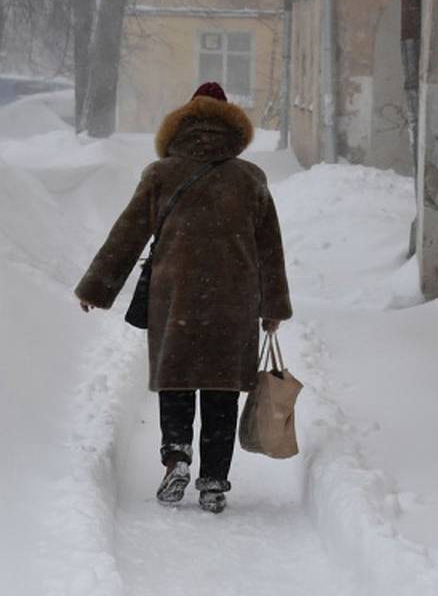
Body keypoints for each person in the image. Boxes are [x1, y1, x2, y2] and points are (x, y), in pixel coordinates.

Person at [74, 82, 292, 514]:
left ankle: (176, 457)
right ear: (233, 129)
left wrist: (97, 288)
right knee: (221, 389)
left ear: (181, 125)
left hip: (175, 299)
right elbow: (270, 247)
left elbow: (128, 235)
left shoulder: (160, 175)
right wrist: (273, 308)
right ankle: (213, 480)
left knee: (176, 381)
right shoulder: (250, 179)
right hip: (235, 298)